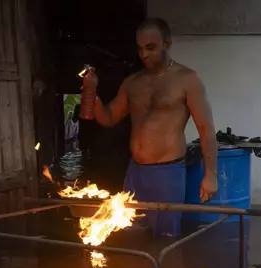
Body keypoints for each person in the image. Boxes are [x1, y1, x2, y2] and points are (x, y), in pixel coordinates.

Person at [83, 18, 218, 237]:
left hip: (167, 174)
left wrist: (210, 175)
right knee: (129, 234)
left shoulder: (187, 80)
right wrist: (92, 92)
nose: (144, 55)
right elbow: (108, 118)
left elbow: (206, 129)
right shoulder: (133, 83)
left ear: (168, 43)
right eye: (140, 49)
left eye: (151, 48)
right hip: (135, 172)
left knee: (166, 239)